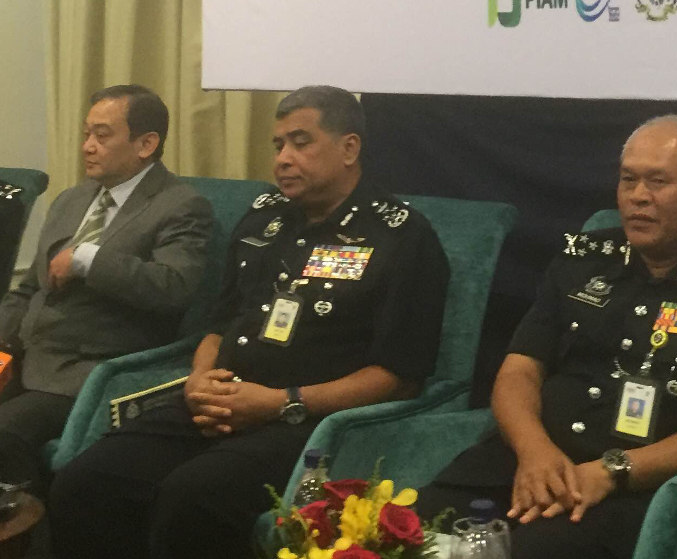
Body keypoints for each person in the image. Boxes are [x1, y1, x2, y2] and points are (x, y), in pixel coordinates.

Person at [49, 85, 450, 558]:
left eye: (301, 142)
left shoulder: (401, 235)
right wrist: (200, 380)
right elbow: (219, 325)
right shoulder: (265, 218)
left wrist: (282, 402)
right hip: (218, 402)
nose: (283, 157)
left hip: (308, 421)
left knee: (193, 495)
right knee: (83, 481)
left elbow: (399, 376)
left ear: (349, 148)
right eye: (278, 145)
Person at [416, 115, 677, 559]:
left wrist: (611, 471)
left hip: (631, 487)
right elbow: (520, 369)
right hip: (525, 463)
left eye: (658, 182)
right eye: (628, 180)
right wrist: (533, 449)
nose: (638, 197)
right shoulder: (582, 260)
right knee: (403, 534)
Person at [0, 84, 213, 495]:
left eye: (102, 135)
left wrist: (88, 259)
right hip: (25, 358)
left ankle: (32, 539)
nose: (87, 147)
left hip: (91, 373)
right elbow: (27, 290)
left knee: (5, 435)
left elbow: (174, 286)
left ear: (146, 143)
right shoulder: (72, 199)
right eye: (86, 134)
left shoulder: (180, 205)